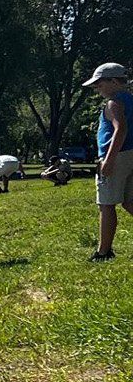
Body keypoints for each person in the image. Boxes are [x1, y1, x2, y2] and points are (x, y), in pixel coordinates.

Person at [87, 62, 133, 261]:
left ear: (114, 81)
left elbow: (120, 129)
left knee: (106, 204)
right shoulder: (131, 99)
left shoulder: (113, 103)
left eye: (99, 84)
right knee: (130, 201)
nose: (97, 88)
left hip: (116, 156)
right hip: (130, 154)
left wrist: (108, 160)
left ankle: (104, 252)